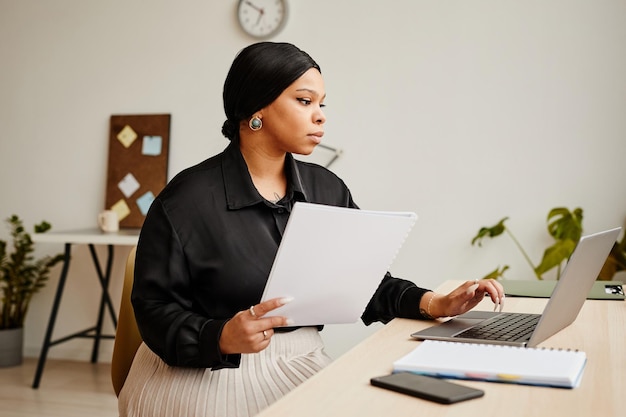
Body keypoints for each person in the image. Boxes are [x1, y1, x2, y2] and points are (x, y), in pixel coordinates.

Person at [119, 42, 505, 417]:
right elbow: (153, 310)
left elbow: (363, 282)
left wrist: (436, 303)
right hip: (202, 376)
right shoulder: (185, 200)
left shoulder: (327, 188)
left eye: (322, 104)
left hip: (300, 358)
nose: (320, 116)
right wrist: (219, 336)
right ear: (257, 109)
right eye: (305, 101)